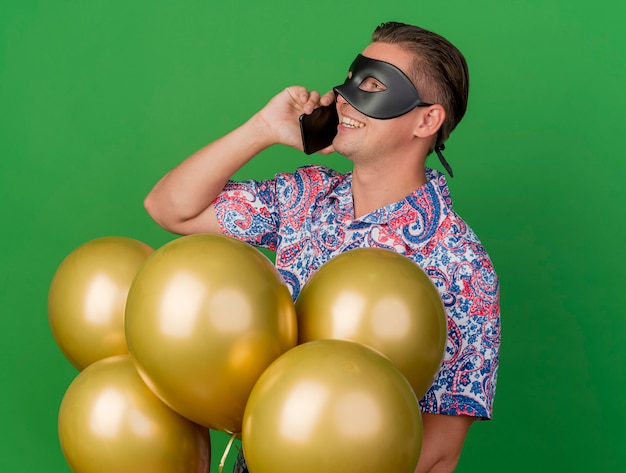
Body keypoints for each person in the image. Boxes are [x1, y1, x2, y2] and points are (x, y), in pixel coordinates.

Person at [144, 21, 501, 473]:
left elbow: (438, 452)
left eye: (374, 85)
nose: (347, 96)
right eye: (352, 78)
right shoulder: (303, 196)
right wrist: (263, 129)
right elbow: (169, 208)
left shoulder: (462, 266)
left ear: (427, 119)